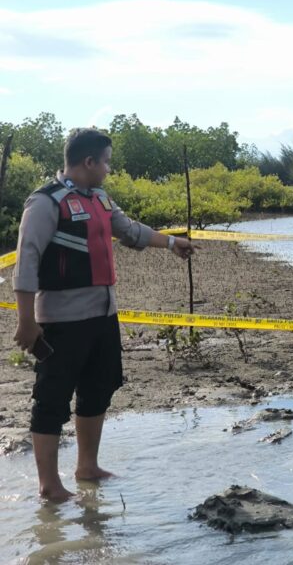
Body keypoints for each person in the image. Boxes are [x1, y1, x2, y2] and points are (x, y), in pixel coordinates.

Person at [12, 128, 196, 501]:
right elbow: (26, 262)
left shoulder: (99, 199)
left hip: (102, 316)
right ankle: (50, 486)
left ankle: (87, 467)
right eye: (107, 162)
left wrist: (173, 243)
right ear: (89, 162)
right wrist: (26, 321)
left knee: (99, 391)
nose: (109, 169)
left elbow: (130, 232)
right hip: (61, 322)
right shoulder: (45, 203)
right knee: (52, 400)